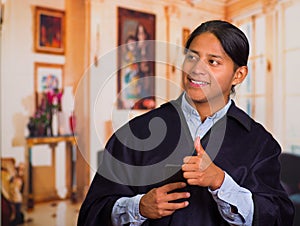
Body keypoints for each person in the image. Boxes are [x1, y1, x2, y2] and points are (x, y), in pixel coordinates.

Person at [77, 20, 294, 226]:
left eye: (213, 62)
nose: (197, 69)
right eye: (191, 57)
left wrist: (221, 183)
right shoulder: (134, 134)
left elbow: (277, 217)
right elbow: (91, 215)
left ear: (238, 75)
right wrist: (139, 208)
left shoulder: (260, 144)